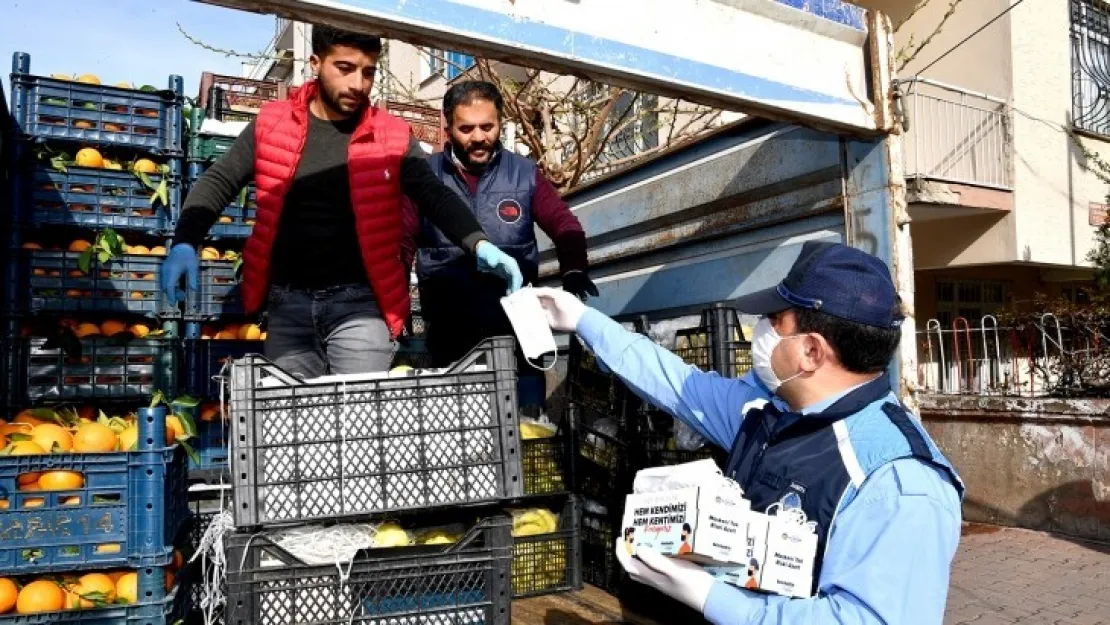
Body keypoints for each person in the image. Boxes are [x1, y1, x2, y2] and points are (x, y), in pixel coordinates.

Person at [533, 241, 964, 625]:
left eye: (776, 320)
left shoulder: (901, 483)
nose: (761, 329)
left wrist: (713, 599)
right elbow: (673, 382)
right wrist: (582, 319)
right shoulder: (768, 411)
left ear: (811, 351)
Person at [161, 26, 522, 379]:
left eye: (368, 72)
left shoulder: (391, 135)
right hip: (289, 306)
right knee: (292, 426)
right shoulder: (272, 123)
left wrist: (479, 242)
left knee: (358, 423)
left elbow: (434, 194)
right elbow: (220, 179)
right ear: (316, 63)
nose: (358, 84)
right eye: (345, 69)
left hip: (362, 305)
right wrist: (185, 241)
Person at [400, 80, 595, 406]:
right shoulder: (425, 177)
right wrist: (397, 299)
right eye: (466, 128)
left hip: (517, 331)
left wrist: (574, 269)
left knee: (525, 432)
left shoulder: (525, 174)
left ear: (500, 125)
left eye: (487, 127)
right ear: (448, 128)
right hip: (450, 335)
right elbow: (402, 240)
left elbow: (564, 224)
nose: (478, 137)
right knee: (459, 433)